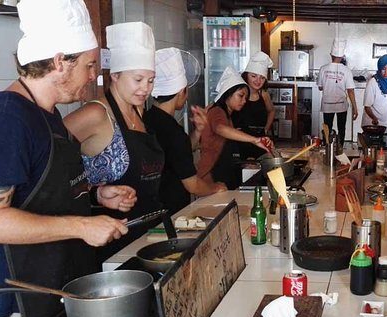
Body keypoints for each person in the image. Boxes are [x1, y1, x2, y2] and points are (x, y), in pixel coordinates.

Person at [0, 0, 136, 317]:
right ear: (60, 62)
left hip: (55, 286)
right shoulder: (10, 118)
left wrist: (96, 195)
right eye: (89, 66)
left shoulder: (49, 114)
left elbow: (45, 191)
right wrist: (81, 226)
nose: (93, 77)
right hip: (18, 303)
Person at [64, 22, 163, 262]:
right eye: (138, 79)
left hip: (145, 234)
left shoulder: (138, 112)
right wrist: (94, 192)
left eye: (150, 81)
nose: (145, 89)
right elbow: (51, 161)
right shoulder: (97, 114)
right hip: (108, 243)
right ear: (115, 75)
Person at [143, 47, 225, 216]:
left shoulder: (146, 118)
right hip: (170, 212)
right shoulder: (173, 131)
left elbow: (180, 152)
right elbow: (193, 184)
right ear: (182, 91)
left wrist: (198, 131)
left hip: (150, 208)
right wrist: (215, 188)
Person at [196, 67, 274, 190]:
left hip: (224, 171)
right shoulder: (217, 111)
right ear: (228, 93)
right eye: (240, 96)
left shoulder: (228, 115)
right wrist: (255, 140)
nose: (244, 101)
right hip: (212, 176)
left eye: (245, 97)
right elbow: (220, 128)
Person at [235, 51, 276, 159]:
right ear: (246, 75)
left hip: (260, 140)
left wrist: (266, 128)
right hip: (240, 141)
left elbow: (271, 111)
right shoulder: (238, 92)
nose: (258, 81)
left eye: (262, 78)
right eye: (253, 76)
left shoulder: (263, 94)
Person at [317, 38, 357, 144]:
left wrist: (328, 85)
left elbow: (320, 87)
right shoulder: (346, 70)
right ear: (342, 56)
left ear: (331, 55)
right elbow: (350, 91)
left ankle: (327, 148)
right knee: (341, 128)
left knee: (327, 128)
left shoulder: (323, 69)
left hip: (327, 104)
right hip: (341, 104)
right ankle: (340, 150)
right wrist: (355, 108)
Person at [362, 55, 387, 135]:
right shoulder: (373, 82)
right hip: (372, 125)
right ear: (379, 68)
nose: (386, 72)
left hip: (386, 126)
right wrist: (374, 118)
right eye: (383, 69)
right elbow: (367, 106)